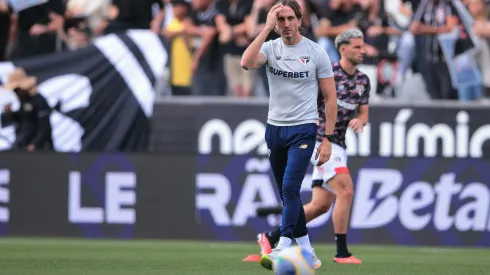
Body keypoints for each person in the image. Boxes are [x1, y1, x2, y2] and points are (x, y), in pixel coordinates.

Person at [255, 28, 370, 265]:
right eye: (357, 47)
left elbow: (364, 113)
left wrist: (361, 120)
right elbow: (311, 97)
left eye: (363, 46)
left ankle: (270, 237)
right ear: (343, 49)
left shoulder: (363, 80)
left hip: (340, 143)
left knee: (319, 206)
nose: (363, 51)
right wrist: (321, 134)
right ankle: (342, 252)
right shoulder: (328, 71)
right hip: (318, 139)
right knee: (346, 190)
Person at [240, 0, 338, 271]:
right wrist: (265, 28)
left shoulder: (316, 52)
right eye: (279, 20)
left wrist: (328, 137)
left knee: (290, 188)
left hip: (304, 128)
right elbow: (246, 62)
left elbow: (331, 99)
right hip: (274, 129)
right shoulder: (270, 48)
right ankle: (307, 250)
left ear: (299, 20)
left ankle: (283, 243)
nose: (284, 25)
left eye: (288, 19)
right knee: (288, 196)